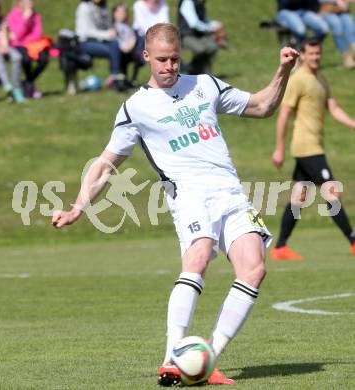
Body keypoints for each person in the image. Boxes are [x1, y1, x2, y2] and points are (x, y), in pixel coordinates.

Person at [52, 23, 299, 386]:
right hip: (189, 194)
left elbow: (262, 106)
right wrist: (78, 207)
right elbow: (105, 165)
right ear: (146, 56)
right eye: (162, 60)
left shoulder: (205, 85)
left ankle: (205, 358)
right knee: (198, 256)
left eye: (175, 59)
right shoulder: (136, 107)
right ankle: (171, 358)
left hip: (230, 192)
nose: (169, 66)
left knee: (254, 269)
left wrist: (283, 71)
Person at [270, 38, 355, 261]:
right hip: (306, 147)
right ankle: (353, 240)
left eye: (318, 53)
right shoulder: (298, 80)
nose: (316, 57)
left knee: (299, 197)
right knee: (331, 191)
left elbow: (333, 108)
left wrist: (353, 124)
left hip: (314, 146)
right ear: (304, 55)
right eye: (311, 53)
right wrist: (279, 149)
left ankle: (280, 247)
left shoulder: (321, 79)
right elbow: (284, 115)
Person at [75, 0, 126, 91]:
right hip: (85, 42)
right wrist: (107, 34)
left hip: (100, 40)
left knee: (116, 44)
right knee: (114, 49)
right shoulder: (84, 7)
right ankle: (116, 78)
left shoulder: (103, 6)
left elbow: (106, 25)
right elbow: (85, 32)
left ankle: (116, 77)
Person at [5, 0, 49, 99]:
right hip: (18, 46)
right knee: (26, 59)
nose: (31, 4)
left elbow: (37, 34)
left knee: (44, 59)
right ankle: (28, 87)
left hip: (33, 45)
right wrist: (25, 19)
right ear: (20, 2)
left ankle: (28, 82)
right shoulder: (12, 16)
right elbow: (16, 35)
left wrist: (25, 40)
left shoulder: (36, 16)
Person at [177, 0, 226, 75]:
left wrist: (216, 24)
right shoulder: (187, 2)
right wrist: (211, 28)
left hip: (198, 35)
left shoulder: (200, 3)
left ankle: (207, 73)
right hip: (185, 36)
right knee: (200, 49)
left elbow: (205, 20)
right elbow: (194, 23)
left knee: (212, 47)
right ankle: (190, 68)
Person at [0, 0, 25, 103]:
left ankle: (16, 87)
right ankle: (7, 85)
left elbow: (6, 35)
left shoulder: (2, 21)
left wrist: (4, 45)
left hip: (5, 46)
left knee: (17, 57)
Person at [112, 3, 144, 87]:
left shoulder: (128, 26)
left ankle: (133, 79)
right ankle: (123, 81)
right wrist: (122, 48)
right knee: (122, 63)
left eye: (123, 13)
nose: (121, 15)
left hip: (130, 49)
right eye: (119, 13)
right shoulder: (113, 26)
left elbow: (133, 38)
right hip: (120, 50)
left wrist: (130, 46)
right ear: (114, 14)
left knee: (138, 57)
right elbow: (114, 39)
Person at [319, 0, 355, 69]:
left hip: (341, 11)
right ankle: (347, 57)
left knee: (349, 23)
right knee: (337, 25)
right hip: (326, 11)